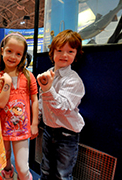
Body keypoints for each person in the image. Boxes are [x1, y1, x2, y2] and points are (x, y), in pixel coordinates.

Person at [37, 29, 85, 180]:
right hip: (48, 130)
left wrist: (47, 88)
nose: (64, 55)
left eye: (70, 51)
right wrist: (35, 122)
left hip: (67, 134)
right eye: (59, 50)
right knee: (45, 168)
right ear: (52, 53)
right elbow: (41, 102)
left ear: (76, 54)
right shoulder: (48, 74)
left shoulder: (73, 80)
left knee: (62, 175)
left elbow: (61, 107)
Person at [0, 33, 39, 180]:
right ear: (2, 51)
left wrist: (34, 123)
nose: (13, 56)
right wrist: (6, 83)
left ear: (23, 56)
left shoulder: (27, 76)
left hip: (22, 129)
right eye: (9, 51)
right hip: (2, 129)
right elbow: (0, 103)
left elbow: (35, 99)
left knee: (22, 168)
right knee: (4, 164)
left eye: (18, 53)